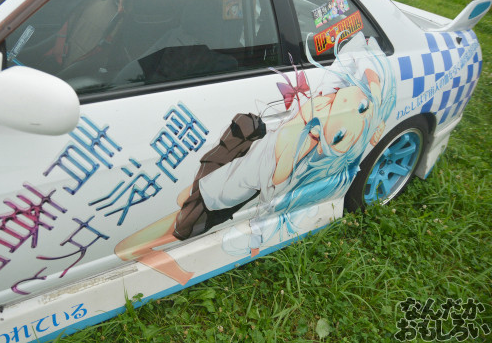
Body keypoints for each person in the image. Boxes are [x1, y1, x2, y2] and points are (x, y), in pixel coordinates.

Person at [115, 32, 396, 285]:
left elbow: (274, 186)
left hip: (215, 196)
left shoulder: (298, 148)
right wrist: (375, 90)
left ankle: (179, 273)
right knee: (166, 219)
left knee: (143, 241)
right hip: (223, 174)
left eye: (339, 136)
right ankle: (178, 270)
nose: (352, 108)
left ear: (322, 143)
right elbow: (360, 46)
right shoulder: (327, 97)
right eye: (361, 107)